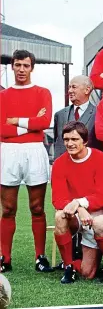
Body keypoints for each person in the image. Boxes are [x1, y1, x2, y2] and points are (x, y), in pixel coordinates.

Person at [0, 49, 53, 272]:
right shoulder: (3, 96)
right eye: (18, 65)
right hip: (9, 151)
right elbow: (1, 128)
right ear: (12, 66)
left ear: (32, 67)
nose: (22, 69)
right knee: (9, 208)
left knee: (37, 206)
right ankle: (5, 258)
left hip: (35, 150)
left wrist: (15, 122)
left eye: (26, 65)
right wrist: (30, 125)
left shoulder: (43, 92)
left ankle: (40, 257)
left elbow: (45, 121)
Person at [52, 122, 103, 283]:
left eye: (75, 139)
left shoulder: (100, 158)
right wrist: (79, 209)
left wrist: (78, 203)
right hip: (76, 216)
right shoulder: (59, 163)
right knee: (59, 216)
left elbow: (102, 196)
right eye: (66, 139)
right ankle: (68, 266)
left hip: (97, 215)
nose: (70, 143)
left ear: (85, 141)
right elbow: (58, 199)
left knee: (87, 273)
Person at [54, 75, 103, 159]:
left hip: (88, 165)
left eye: (74, 87)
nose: (69, 91)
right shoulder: (59, 115)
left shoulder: (99, 114)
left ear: (87, 90)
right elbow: (56, 141)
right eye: (69, 87)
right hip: (64, 166)